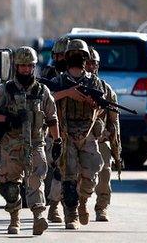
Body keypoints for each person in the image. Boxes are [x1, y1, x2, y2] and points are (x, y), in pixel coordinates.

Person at [0, 46, 61, 235]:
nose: (26, 70)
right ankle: (14, 219)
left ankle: (38, 217)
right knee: (11, 186)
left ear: (34, 67)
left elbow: (52, 118)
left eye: (29, 66)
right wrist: (8, 119)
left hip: (36, 143)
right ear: (16, 67)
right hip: (11, 145)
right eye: (22, 66)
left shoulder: (43, 91)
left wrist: (57, 141)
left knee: (36, 181)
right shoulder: (5, 90)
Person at [51, 39, 104, 230]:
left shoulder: (94, 81)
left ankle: (83, 202)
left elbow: (102, 106)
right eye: (72, 54)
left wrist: (94, 104)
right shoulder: (59, 81)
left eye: (80, 55)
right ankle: (70, 214)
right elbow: (47, 99)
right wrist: (68, 93)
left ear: (85, 57)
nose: (76, 58)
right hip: (66, 134)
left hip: (87, 134)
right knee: (69, 177)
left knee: (91, 175)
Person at [86, 48, 120, 222]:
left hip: (100, 139)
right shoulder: (74, 86)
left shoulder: (106, 90)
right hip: (79, 139)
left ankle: (102, 207)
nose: (91, 66)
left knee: (105, 173)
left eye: (94, 63)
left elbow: (113, 122)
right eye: (88, 63)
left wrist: (115, 147)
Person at [38, 36, 69, 223]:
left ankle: (58, 206)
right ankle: (49, 206)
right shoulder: (48, 76)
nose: (61, 58)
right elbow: (45, 97)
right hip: (49, 129)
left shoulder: (79, 75)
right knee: (48, 169)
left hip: (72, 128)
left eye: (65, 55)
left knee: (65, 169)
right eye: (58, 55)